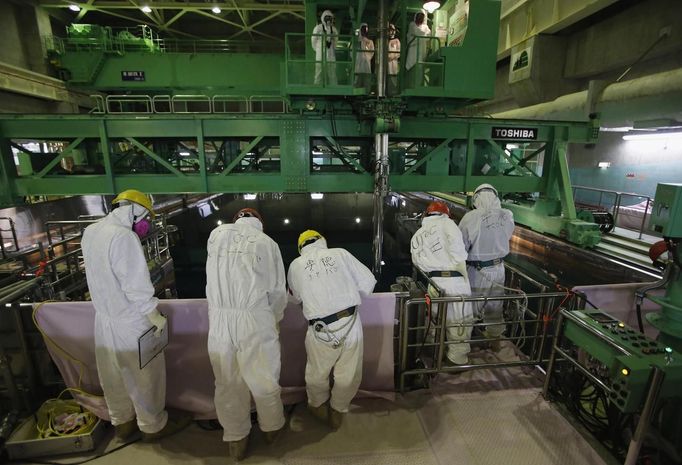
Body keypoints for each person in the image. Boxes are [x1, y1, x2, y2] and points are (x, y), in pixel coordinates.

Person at [81, 189, 191, 442]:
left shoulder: (91, 231)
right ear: (135, 211)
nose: (146, 224)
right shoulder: (123, 237)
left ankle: (122, 423)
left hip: (104, 320)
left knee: (112, 377)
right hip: (130, 321)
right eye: (147, 218)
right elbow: (135, 285)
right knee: (145, 377)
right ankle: (153, 426)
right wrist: (153, 315)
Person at [205, 208, 287, 460]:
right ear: (259, 223)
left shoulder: (215, 236)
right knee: (264, 379)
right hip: (254, 318)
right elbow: (277, 291)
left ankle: (236, 438)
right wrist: (274, 319)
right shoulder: (267, 243)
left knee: (227, 382)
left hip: (219, 319)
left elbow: (210, 281)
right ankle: (271, 429)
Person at [287, 230, 376, 429]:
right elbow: (368, 283)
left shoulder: (295, 265)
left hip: (320, 329)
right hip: (350, 324)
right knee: (349, 372)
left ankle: (317, 406)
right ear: (322, 241)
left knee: (317, 372)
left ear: (301, 248)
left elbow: (294, 298)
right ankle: (338, 409)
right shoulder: (341, 254)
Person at [410, 201, 473, 365]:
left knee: (435, 318)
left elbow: (417, 262)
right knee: (460, 321)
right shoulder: (449, 224)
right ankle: (456, 360)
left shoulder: (417, 235)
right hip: (456, 280)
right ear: (445, 214)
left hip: (435, 282)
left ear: (427, 215)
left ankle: (434, 350)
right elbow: (459, 253)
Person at [459, 184, 515, 350]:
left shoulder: (471, 217)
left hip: (478, 270)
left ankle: (462, 347)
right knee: (496, 305)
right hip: (499, 269)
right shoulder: (507, 215)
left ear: (476, 198)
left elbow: (461, 244)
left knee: (471, 308)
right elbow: (507, 235)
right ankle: (494, 339)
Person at [311, 9, 338, 86]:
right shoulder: (318, 28)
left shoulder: (334, 30)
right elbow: (313, 41)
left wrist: (331, 47)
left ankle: (334, 88)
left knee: (332, 72)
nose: (328, 20)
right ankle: (316, 88)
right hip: (320, 54)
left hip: (330, 55)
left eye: (330, 18)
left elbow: (336, 41)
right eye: (327, 18)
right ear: (323, 18)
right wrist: (318, 49)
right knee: (319, 72)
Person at [405, 10, 431, 87]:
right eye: (419, 16)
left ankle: (418, 86)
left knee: (420, 68)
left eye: (422, 17)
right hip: (413, 51)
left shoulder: (425, 27)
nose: (420, 18)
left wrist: (420, 37)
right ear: (416, 17)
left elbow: (429, 35)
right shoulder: (412, 25)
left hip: (421, 51)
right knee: (413, 69)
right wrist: (423, 36)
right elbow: (417, 32)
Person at [354, 23, 374, 93]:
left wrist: (366, 58)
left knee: (367, 81)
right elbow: (352, 53)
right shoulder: (356, 41)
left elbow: (372, 53)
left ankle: (367, 93)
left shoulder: (370, 42)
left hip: (366, 65)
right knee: (357, 81)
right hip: (358, 65)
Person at [387, 23, 401, 96]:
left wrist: (392, 57)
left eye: (392, 30)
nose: (391, 32)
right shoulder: (385, 40)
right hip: (386, 63)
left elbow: (399, 52)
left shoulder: (397, 41)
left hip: (393, 62)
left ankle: (393, 91)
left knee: (393, 77)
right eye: (389, 30)